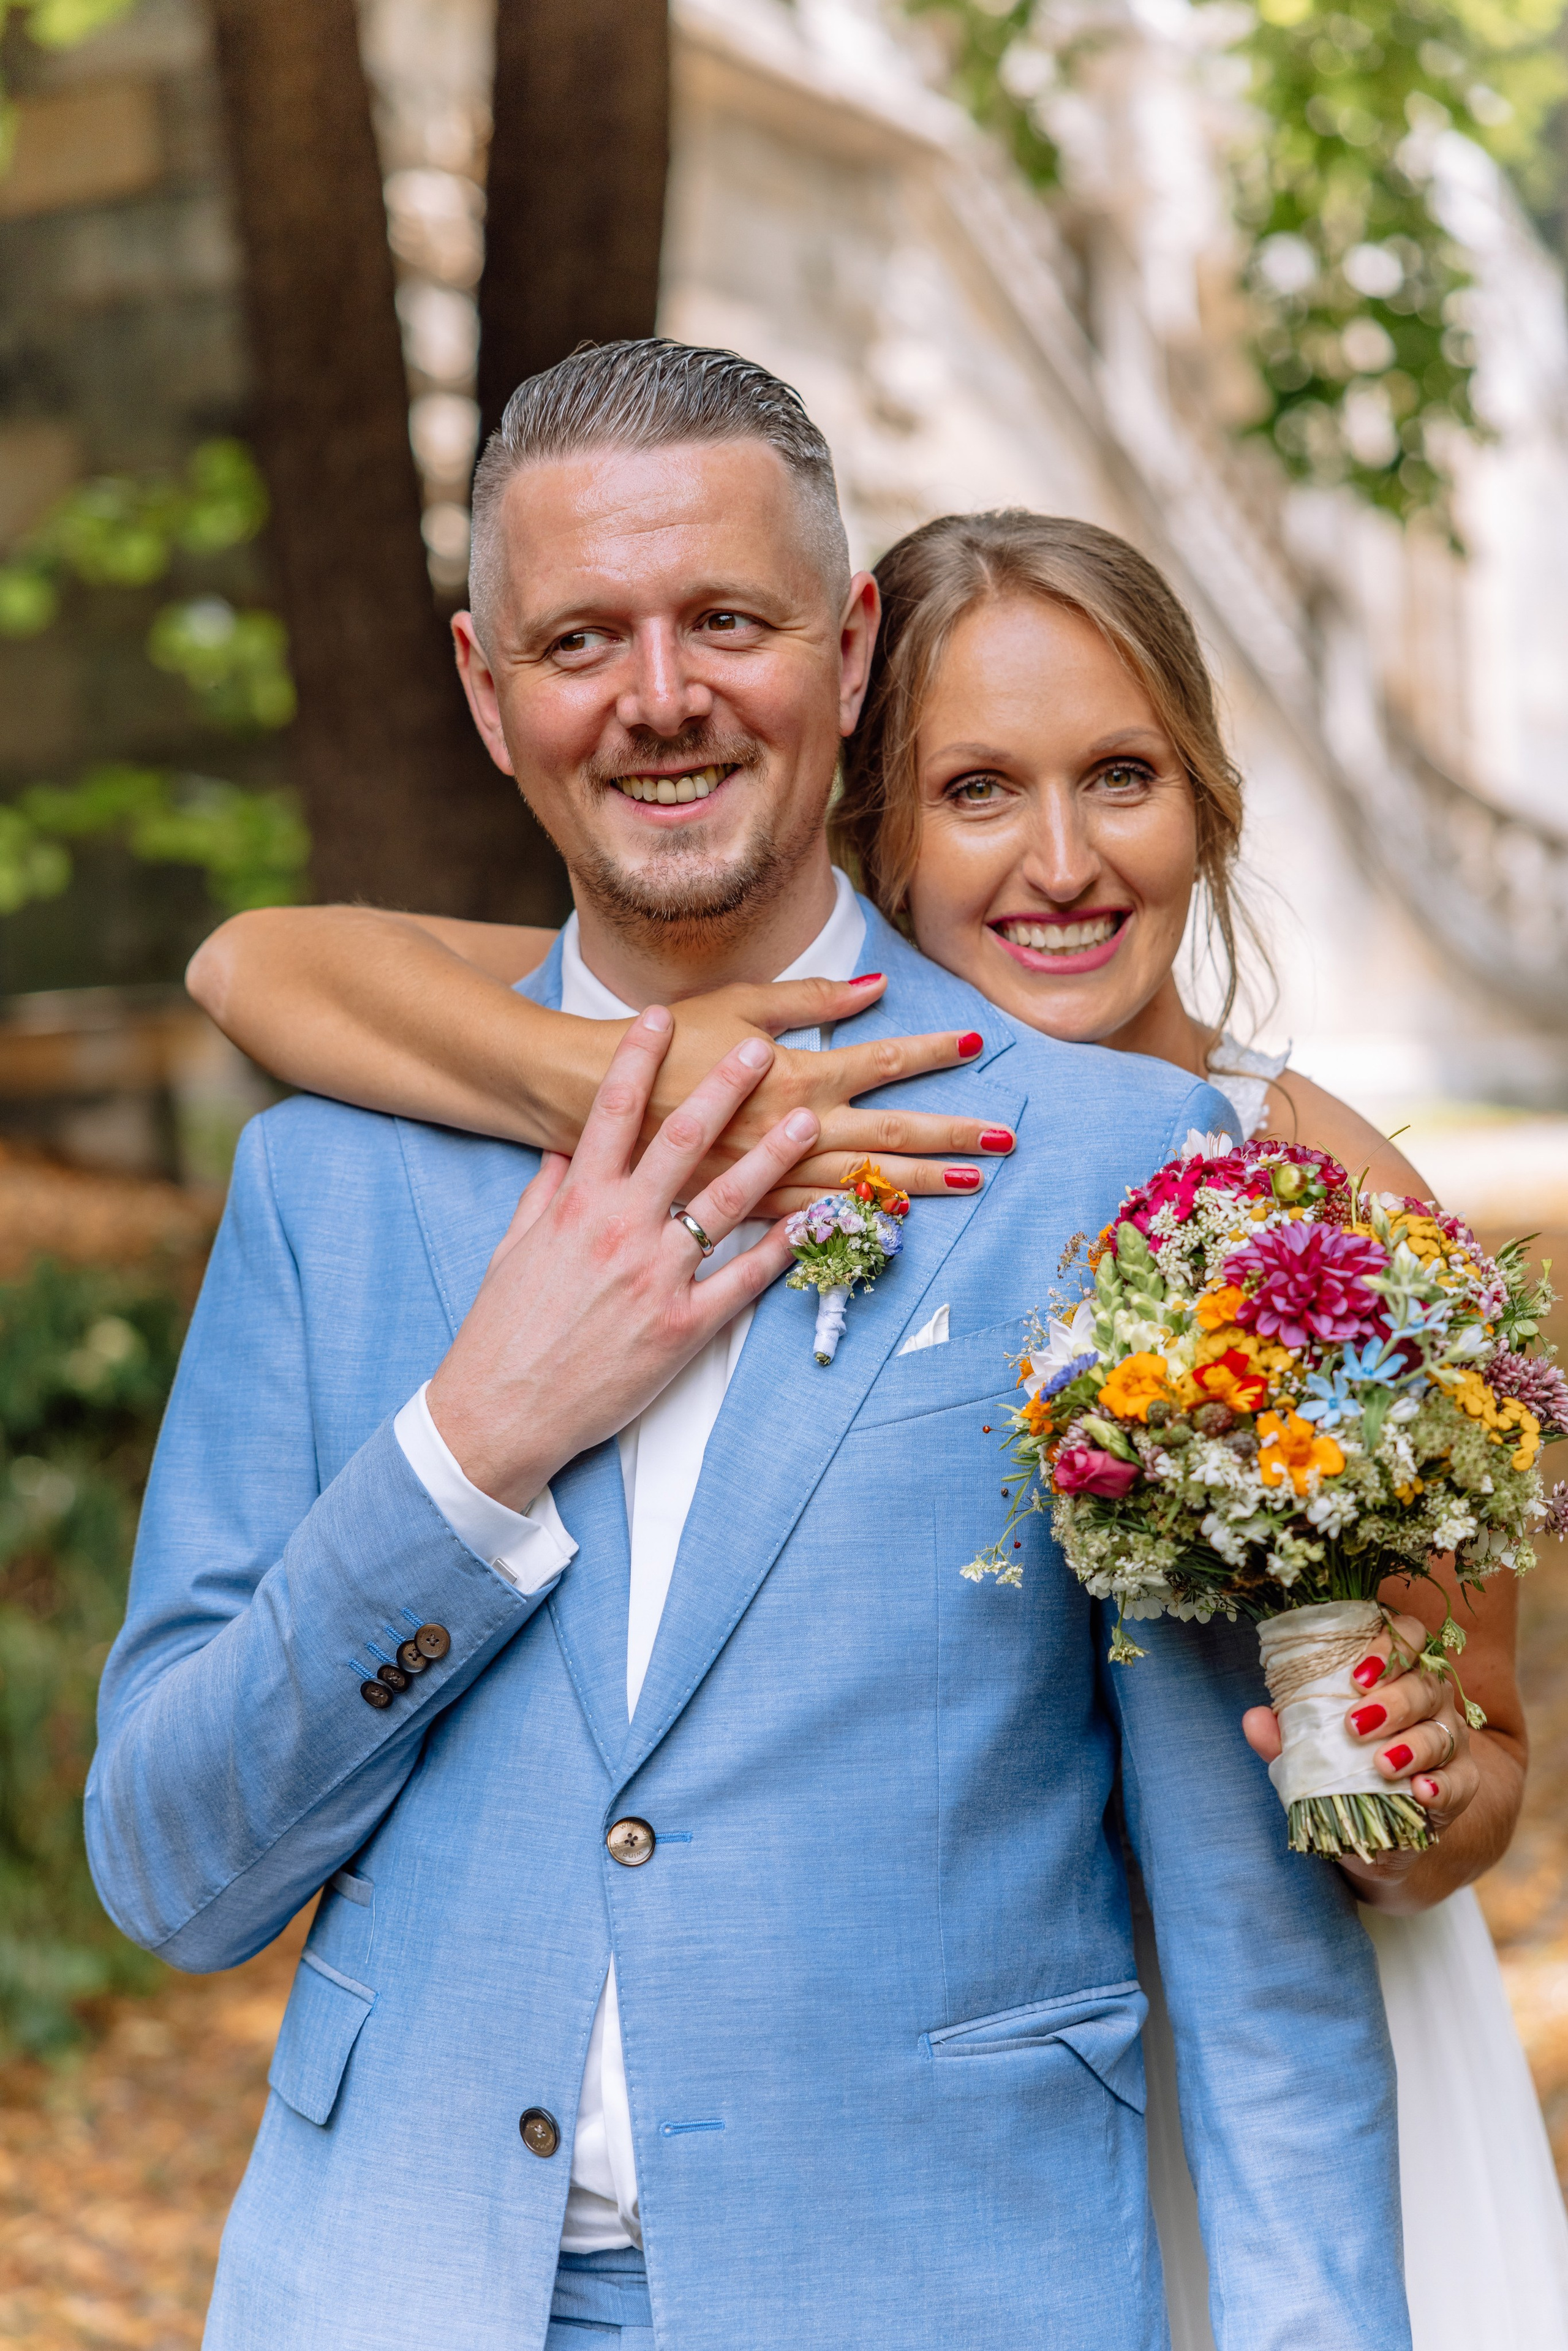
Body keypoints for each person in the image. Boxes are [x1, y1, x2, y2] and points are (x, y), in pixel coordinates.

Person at [88, 339, 1415, 2351]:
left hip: (941, 2287)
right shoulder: (324, 1188)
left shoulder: (1132, 1178)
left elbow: (1257, 1947)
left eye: (728, 619)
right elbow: (172, 1874)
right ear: (485, 690)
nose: (661, 697)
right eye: (581, 638)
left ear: (855, 643)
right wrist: (469, 1449)